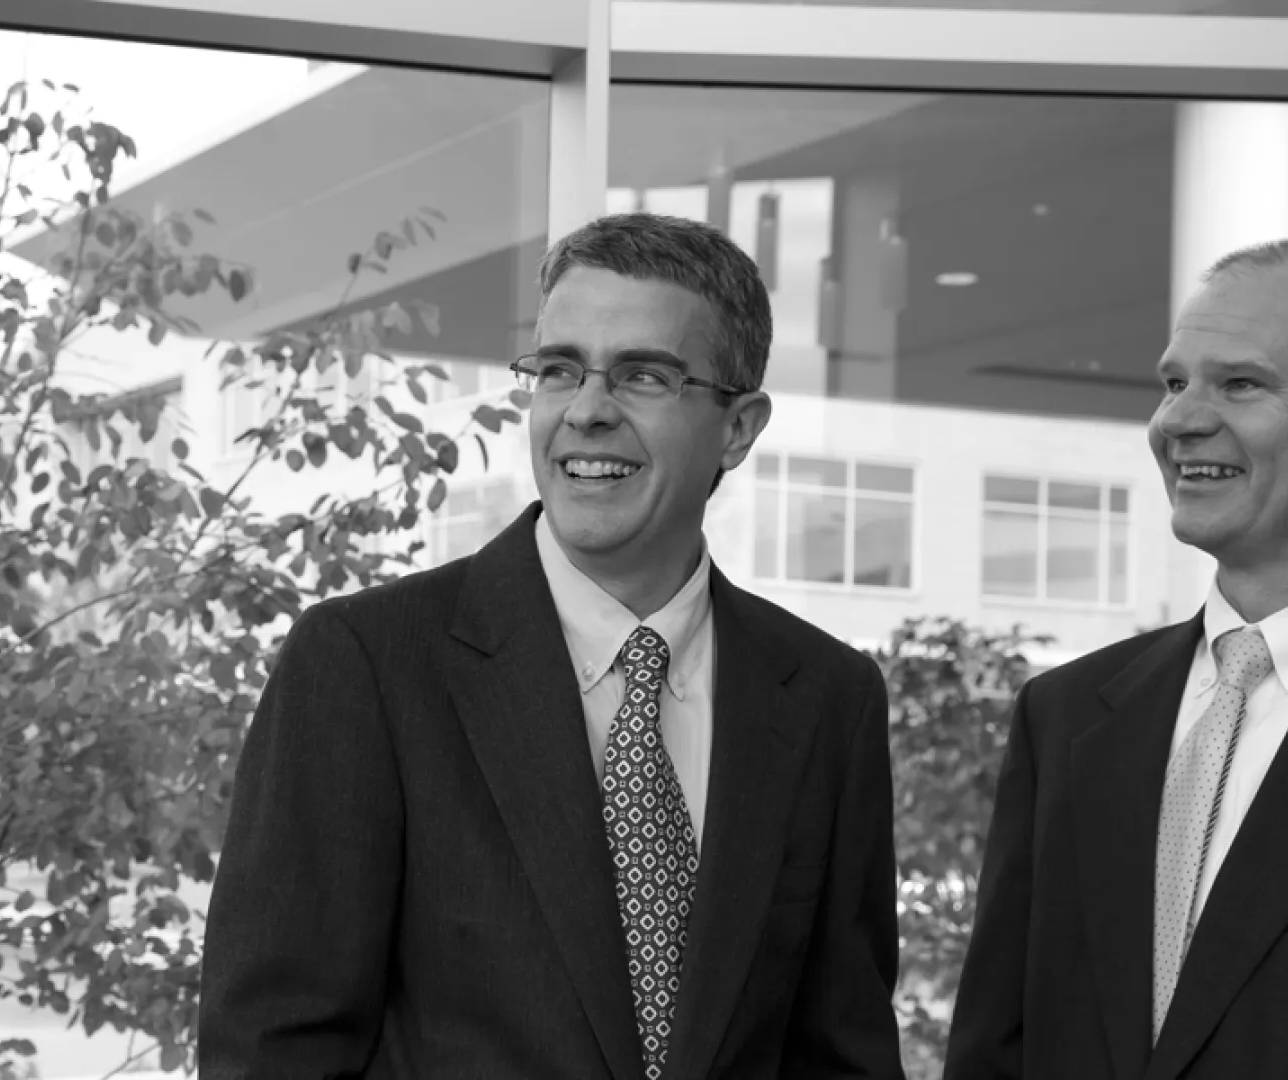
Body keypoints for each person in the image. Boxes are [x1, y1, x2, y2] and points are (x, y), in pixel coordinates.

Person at [198, 212, 906, 1080]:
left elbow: (843, 1051)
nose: (587, 411)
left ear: (738, 425)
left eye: (644, 375)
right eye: (560, 369)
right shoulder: (366, 665)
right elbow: (273, 1049)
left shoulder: (828, 695)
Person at [945, 237, 1288, 1080]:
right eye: (1174, 384)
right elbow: (997, 1048)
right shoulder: (1067, 715)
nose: (1178, 420)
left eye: (1240, 384)